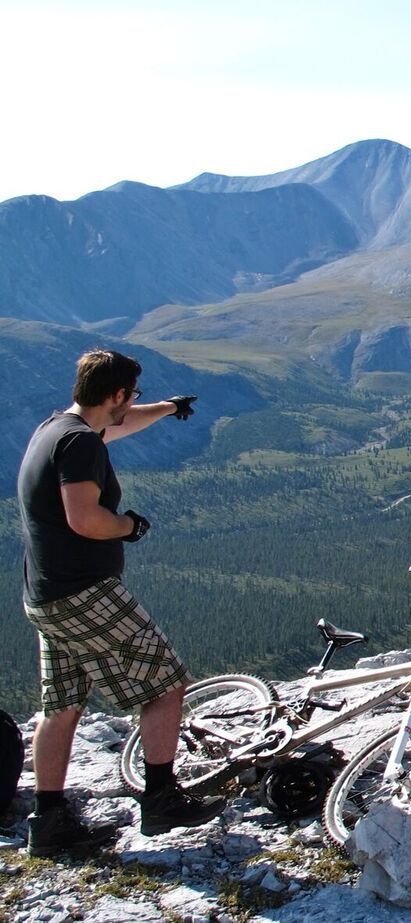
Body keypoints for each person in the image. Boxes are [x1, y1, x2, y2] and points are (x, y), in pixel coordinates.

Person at [16, 349, 222, 857]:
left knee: (60, 704)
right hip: (84, 593)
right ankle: (160, 799)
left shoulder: (58, 429)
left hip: (44, 594)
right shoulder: (81, 445)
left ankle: (50, 821)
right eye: (134, 396)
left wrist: (169, 408)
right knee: (167, 683)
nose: (135, 403)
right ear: (117, 394)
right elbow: (85, 519)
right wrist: (131, 525)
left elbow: (119, 426)